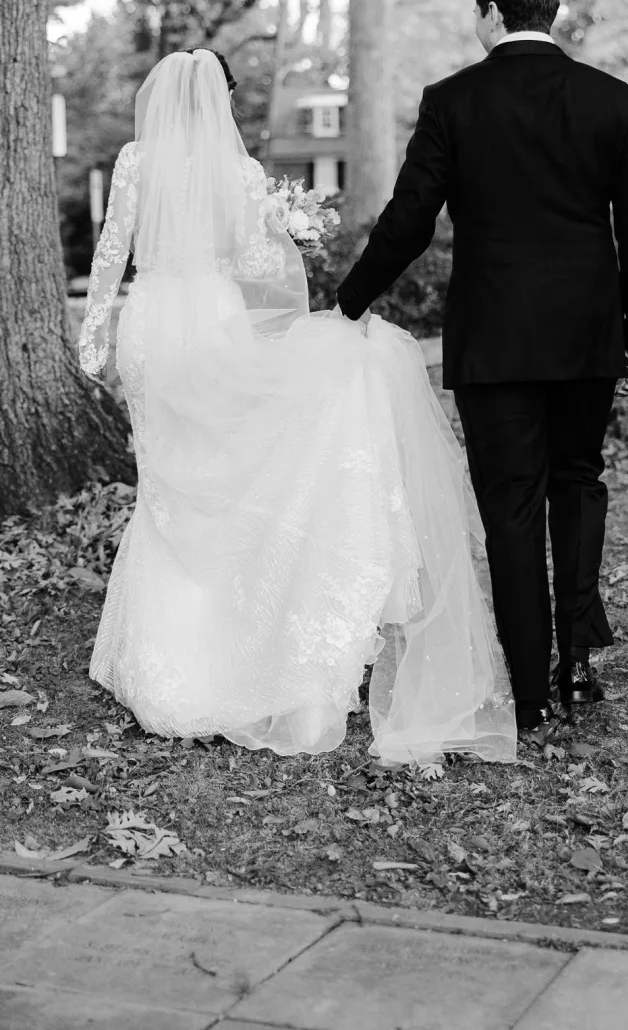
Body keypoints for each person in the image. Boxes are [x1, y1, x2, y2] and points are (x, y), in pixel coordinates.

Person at [77, 48, 516, 766]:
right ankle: (226, 651)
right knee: (216, 474)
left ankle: (165, 660)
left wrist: (95, 337)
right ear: (219, 100)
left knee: (164, 487)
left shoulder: (135, 159)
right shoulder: (239, 173)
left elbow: (109, 252)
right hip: (213, 323)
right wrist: (290, 235)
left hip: (152, 325)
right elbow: (257, 268)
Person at [337, 0, 628, 734]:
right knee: (579, 483)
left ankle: (530, 691)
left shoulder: (452, 101)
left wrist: (348, 300)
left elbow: (409, 220)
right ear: (546, 11)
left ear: (491, 13)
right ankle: (577, 661)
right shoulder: (610, 99)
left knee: (511, 506)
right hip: (587, 335)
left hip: (494, 341)